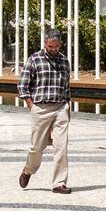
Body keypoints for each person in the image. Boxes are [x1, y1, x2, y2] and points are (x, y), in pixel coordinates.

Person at [18, 28, 72, 193]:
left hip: (60, 107)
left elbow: (67, 86)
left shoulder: (64, 61)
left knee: (61, 147)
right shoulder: (34, 59)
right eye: (50, 47)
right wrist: (31, 105)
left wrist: (68, 104)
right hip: (40, 108)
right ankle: (28, 170)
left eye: (56, 47)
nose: (54, 50)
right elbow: (22, 85)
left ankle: (59, 183)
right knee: (36, 148)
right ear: (45, 43)